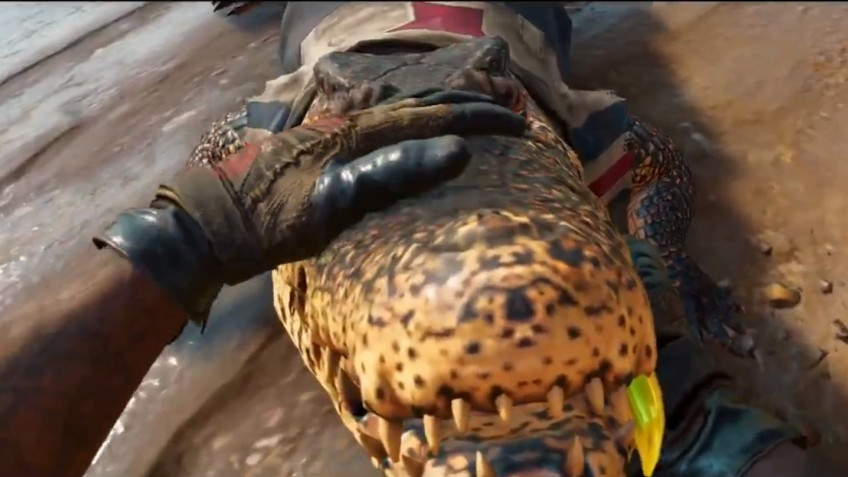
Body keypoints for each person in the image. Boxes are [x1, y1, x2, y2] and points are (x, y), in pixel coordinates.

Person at [0, 3, 826, 477]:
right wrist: (190, 234)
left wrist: (666, 263)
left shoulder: (570, 119)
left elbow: (658, 168)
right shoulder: (273, 122)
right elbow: (656, 169)